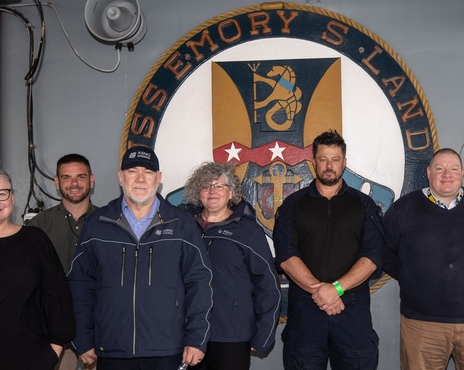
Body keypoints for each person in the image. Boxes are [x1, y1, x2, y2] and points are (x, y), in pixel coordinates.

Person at [67, 146, 213, 370]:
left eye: (148, 172)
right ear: (120, 177)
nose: (141, 179)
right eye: (132, 171)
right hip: (111, 348)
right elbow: (80, 286)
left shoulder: (181, 224)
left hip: (167, 349)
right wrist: (83, 338)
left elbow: (200, 284)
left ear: (159, 178)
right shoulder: (98, 224)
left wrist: (196, 338)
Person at [383, 147, 464, 370]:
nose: (447, 174)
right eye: (440, 168)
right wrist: (415, 278)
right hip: (422, 324)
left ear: (462, 173)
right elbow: (387, 254)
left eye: (453, 168)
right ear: (428, 172)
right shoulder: (402, 209)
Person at [273, 129, 385, 370]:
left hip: (352, 313)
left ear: (344, 163)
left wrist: (336, 289)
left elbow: (373, 255)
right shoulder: (294, 205)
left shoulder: (363, 205)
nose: (329, 166)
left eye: (335, 159)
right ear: (314, 162)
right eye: (323, 159)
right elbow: (285, 255)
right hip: (306, 313)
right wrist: (322, 293)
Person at [183, 161, 281, 370]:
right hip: (188, 334)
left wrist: (263, 333)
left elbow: (268, 285)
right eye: (206, 186)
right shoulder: (184, 228)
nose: (212, 191)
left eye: (219, 186)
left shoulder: (247, 231)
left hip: (231, 336)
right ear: (197, 193)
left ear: (231, 193)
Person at [0, 169, 76, 369]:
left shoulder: (35, 240)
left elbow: (57, 295)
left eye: (2, 193)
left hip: (32, 359)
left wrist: (54, 350)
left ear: (12, 197)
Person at [28, 153, 97, 370]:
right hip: (55, 341)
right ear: (57, 183)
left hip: (99, 336)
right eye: (66, 178)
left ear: (91, 180)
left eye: (81, 177)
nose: (74, 183)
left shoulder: (110, 223)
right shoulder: (37, 227)